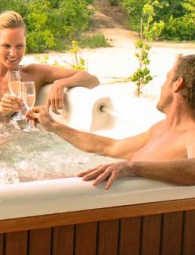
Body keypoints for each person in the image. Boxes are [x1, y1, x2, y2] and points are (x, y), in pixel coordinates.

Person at [27, 55, 195, 189]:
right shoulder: (160, 129)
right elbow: (110, 147)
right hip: (120, 204)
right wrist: (53, 126)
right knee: (28, 178)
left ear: (177, 84)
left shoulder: (191, 134)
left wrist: (132, 168)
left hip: (137, 214)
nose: (161, 86)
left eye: (166, 79)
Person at [0, 11, 99, 119]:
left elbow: (92, 79)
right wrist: (1, 107)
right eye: (6, 46)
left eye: (19, 46)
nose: (13, 53)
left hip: (13, 140)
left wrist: (61, 83)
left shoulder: (33, 73)